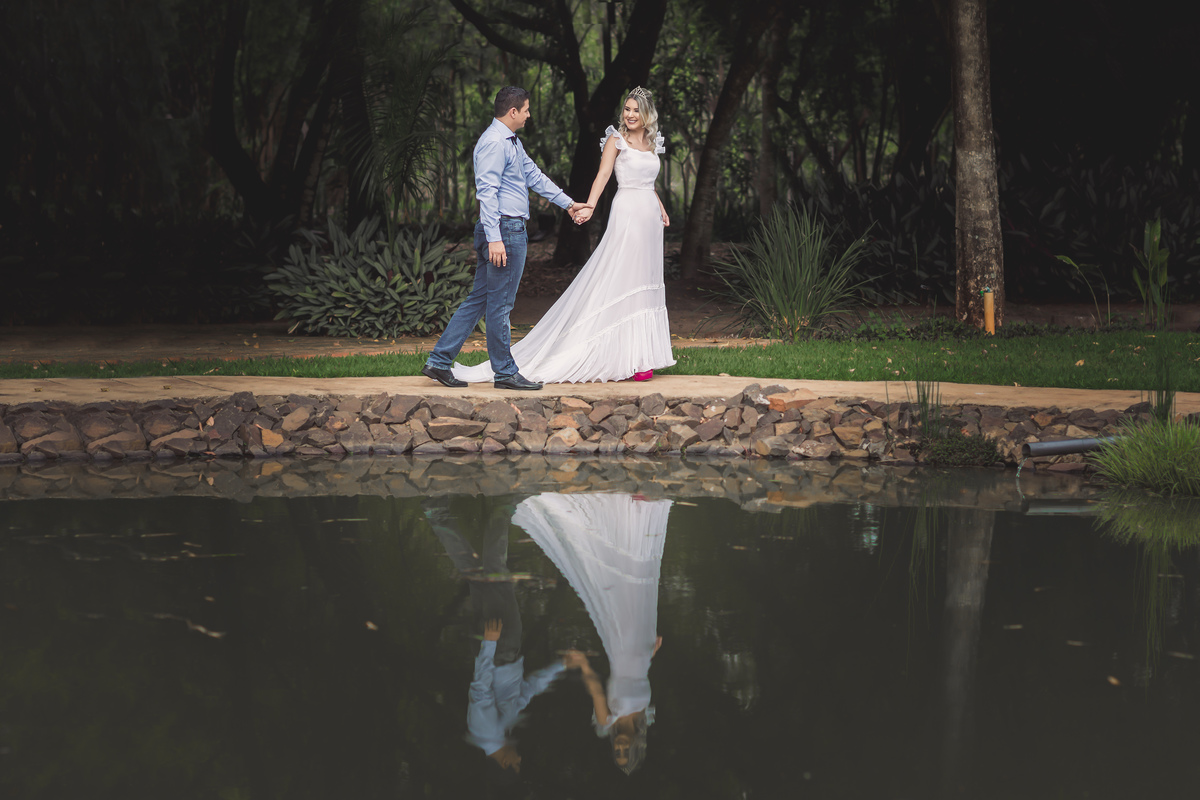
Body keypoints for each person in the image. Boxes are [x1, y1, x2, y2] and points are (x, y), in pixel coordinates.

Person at [451, 87, 676, 384]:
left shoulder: (651, 141)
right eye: (627, 109)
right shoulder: (615, 139)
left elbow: (648, 180)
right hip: (624, 216)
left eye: (636, 110)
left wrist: (657, 204)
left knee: (644, 280)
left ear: (647, 114)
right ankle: (508, 370)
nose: (630, 115)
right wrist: (589, 206)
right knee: (621, 278)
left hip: (649, 217)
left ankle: (640, 355)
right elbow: (603, 175)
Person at [422, 86, 588, 392]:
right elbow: (486, 193)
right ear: (513, 112)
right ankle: (505, 372)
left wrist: (568, 203)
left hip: (504, 230)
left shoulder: (511, 142)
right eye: (526, 109)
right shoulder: (494, 143)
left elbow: (534, 176)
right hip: (504, 231)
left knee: (480, 300)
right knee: (501, 305)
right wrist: (495, 238)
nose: (528, 115)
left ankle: (439, 361)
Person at [423, 497, 586, 782]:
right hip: (502, 648)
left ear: (505, 765)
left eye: (518, 763)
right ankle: (438, 514)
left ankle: (502, 508)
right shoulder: (502, 730)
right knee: (477, 576)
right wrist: (560, 665)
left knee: (495, 572)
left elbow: (480, 689)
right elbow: (528, 690)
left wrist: (489, 642)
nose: (520, 757)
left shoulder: (486, 733)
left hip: (499, 646)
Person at [513, 491, 671, 774]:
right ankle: (637, 515)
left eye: (617, 752)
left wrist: (584, 665)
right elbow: (640, 677)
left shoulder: (606, 721)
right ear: (636, 745)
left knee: (620, 589)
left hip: (621, 647)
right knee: (638, 589)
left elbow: (597, 689)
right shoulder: (645, 715)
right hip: (643, 644)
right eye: (626, 751)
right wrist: (653, 652)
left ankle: (619, 518)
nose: (621, 747)